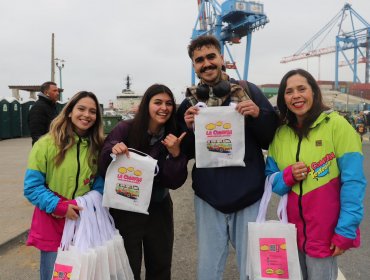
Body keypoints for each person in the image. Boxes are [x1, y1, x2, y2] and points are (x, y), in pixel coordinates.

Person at [176, 35, 278, 280]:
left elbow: (269, 138)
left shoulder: (248, 92)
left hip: (249, 194)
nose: (206, 63)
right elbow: (186, 152)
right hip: (209, 197)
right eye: (199, 60)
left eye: (211, 56)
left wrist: (257, 114)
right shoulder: (188, 103)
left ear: (222, 58)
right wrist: (188, 128)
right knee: (208, 270)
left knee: (251, 268)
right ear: (194, 66)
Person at [265, 69, 367, 280]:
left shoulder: (337, 125)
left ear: (314, 92)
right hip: (291, 234)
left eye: (302, 89)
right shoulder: (280, 134)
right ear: (283, 98)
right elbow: (270, 180)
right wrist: (288, 176)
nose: (296, 96)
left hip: (324, 235)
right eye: (289, 91)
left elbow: (354, 183)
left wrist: (346, 230)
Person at [99, 84, 188, 280]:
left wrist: (175, 155)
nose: (163, 108)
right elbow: (103, 164)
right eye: (157, 102)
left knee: (160, 264)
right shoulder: (125, 128)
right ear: (146, 104)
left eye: (168, 103)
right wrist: (113, 149)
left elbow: (173, 181)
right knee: (127, 266)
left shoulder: (172, 135)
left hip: (158, 208)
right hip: (126, 209)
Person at [24, 91, 105, 280]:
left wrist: (92, 202)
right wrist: (60, 207)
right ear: (69, 111)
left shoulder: (97, 147)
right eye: (81, 109)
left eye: (92, 111)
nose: (86, 115)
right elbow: (32, 187)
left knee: (85, 275)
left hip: (84, 224)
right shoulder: (45, 144)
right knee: (57, 276)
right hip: (53, 225)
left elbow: (100, 183)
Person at [28, 81, 59, 145]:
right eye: (54, 91)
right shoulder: (38, 108)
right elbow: (37, 135)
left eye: (57, 91)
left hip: (53, 146)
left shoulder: (52, 106)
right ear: (46, 93)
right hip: (44, 148)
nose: (58, 93)